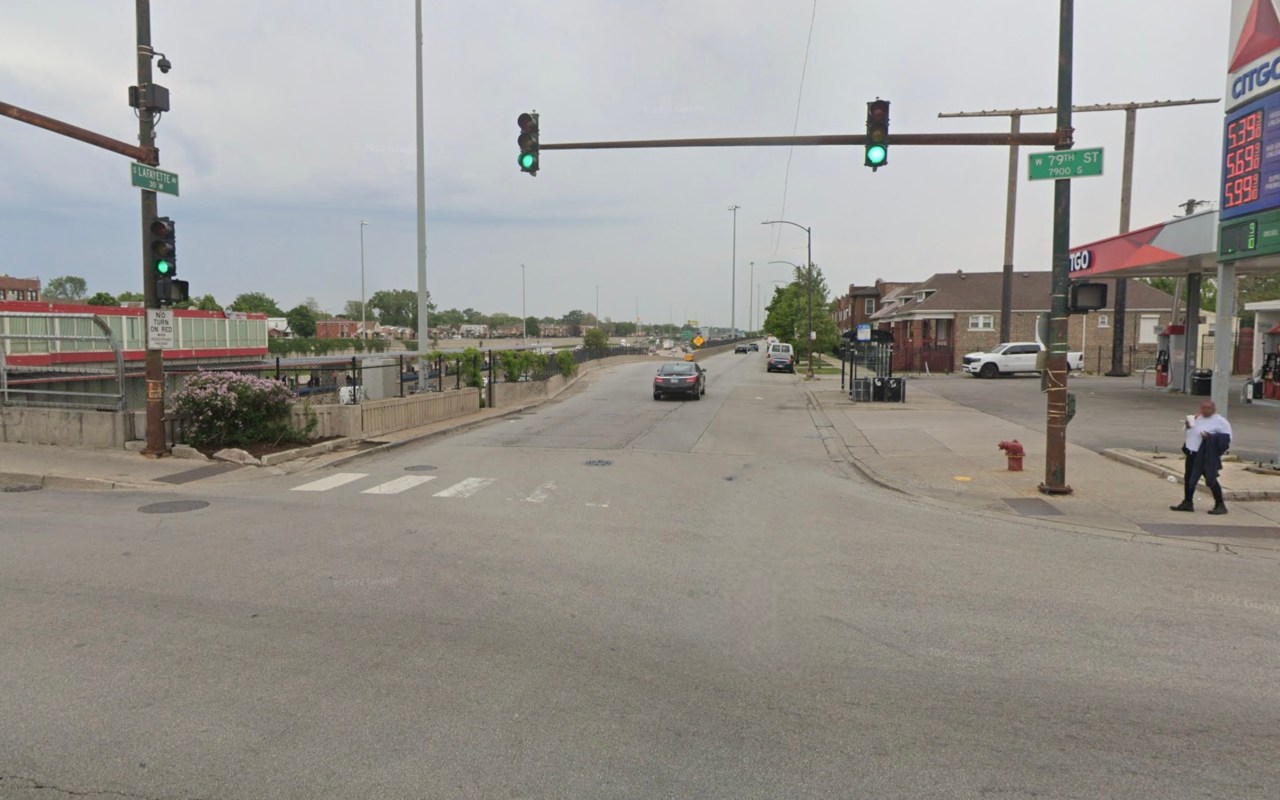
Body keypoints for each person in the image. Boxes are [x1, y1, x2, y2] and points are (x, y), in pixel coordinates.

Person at [1170, 399, 1232, 515]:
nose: (1204, 410)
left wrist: (1210, 437)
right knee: (1189, 478)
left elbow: (1226, 439)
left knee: (1211, 478)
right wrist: (1187, 425)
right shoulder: (1197, 417)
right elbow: (1189, 430)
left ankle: (1220, 504)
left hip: (1206, 455)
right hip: (1192, 453)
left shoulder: (1220, 422)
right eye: (1202, 408)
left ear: (1213, 409)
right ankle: (1188, 502)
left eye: (1207, 408)